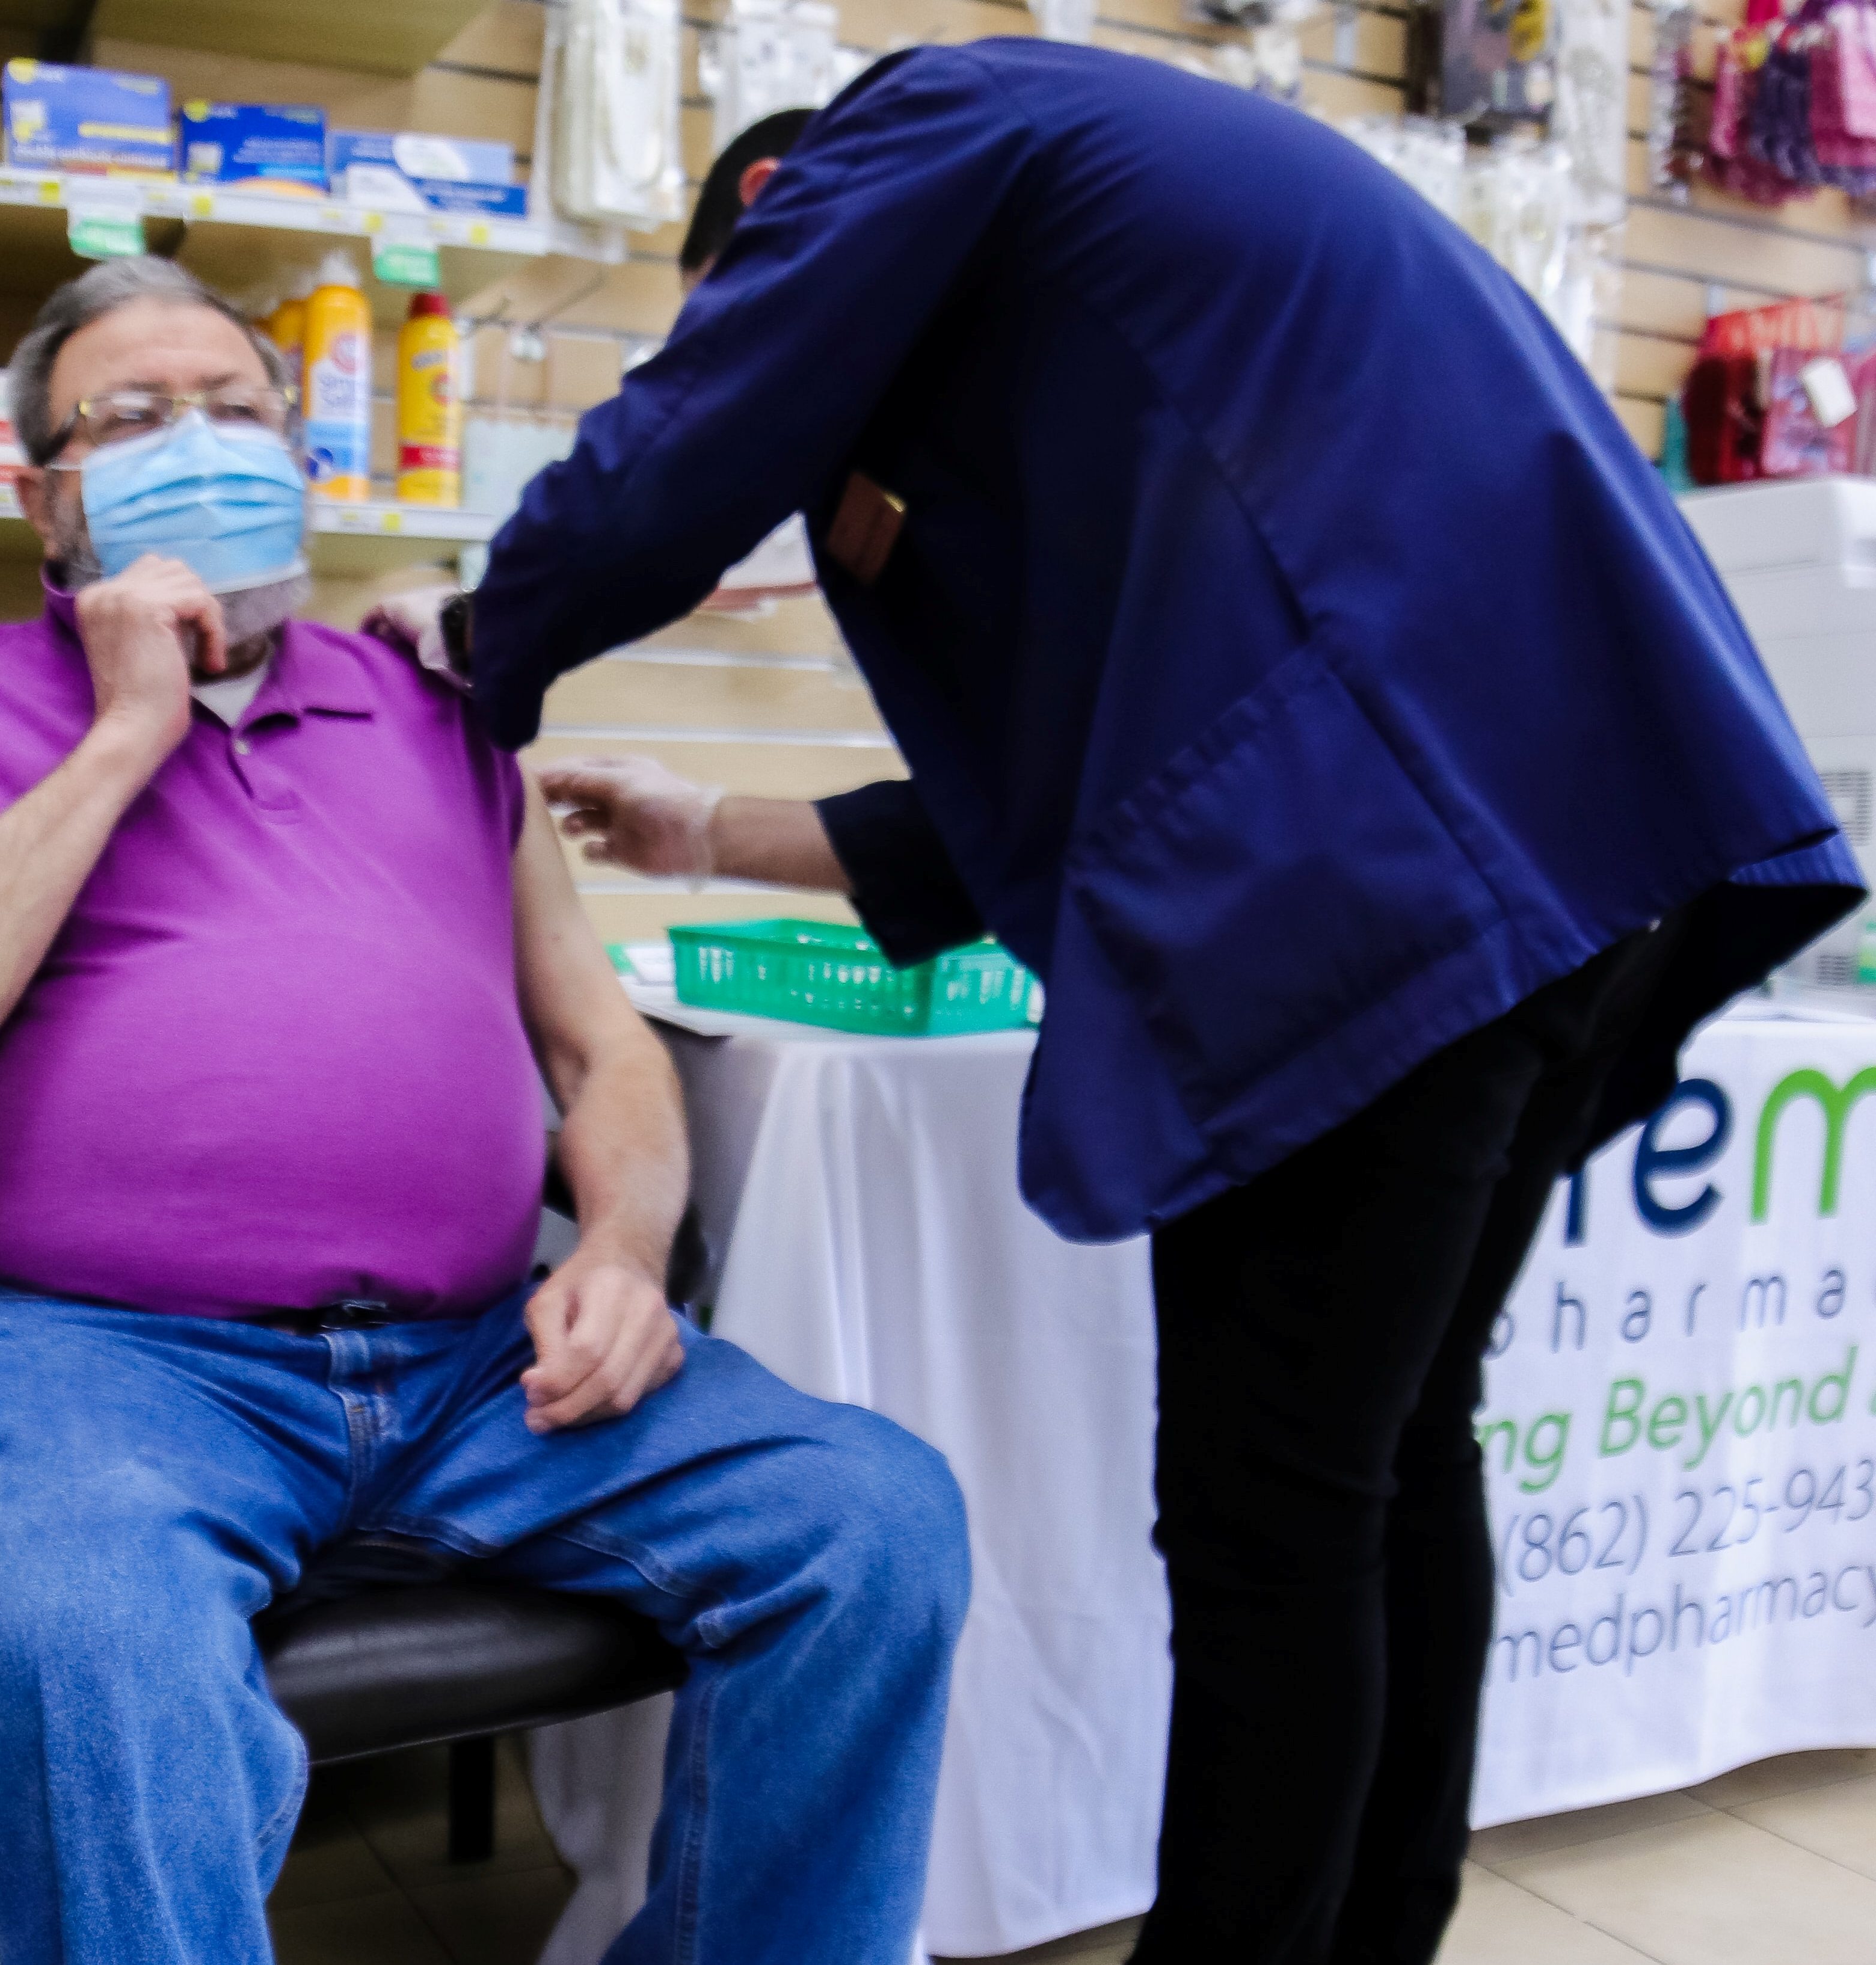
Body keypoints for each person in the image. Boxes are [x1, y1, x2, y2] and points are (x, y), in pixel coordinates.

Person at [443, 44, 1866, 1965]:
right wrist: (710, 826)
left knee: (1275, 1509)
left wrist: (465, 656)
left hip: (1388, 879)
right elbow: (1088, 769)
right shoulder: (1121, 294)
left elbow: (696, 437)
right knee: (1387, 1456)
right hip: (1574, 848)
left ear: (776, 227)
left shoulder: (921, 128)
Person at [0, 256, 969, 1965]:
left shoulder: (441, 708)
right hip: (90, 1364)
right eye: (135, 417)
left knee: (875, 1524)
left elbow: (599, 1050)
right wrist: (123, 736)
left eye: (238, 412)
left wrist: (624, 1251)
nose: (201, 444)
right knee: (87, 1636)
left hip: (479, 1366)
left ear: (300, 462)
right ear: (46, 500)